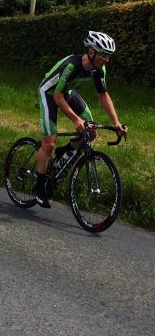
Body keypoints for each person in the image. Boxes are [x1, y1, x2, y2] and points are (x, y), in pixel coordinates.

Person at [33, 31, 127, 209]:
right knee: (49, 143)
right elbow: (57, 97)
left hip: (67, 92)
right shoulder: (71, 65)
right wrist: (76, 120)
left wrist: (116, 122)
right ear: (91, 52)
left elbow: (103, 95)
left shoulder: (100, 69)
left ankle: (65, 151)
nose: (106, 59)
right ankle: (38, 186)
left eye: (109, 56)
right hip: (49, 93)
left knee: (91, 131)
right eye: (104, 55)